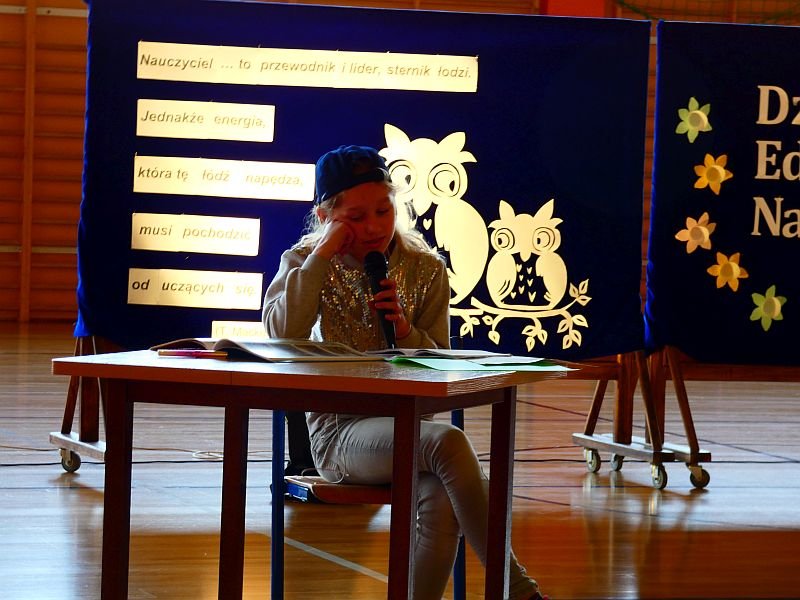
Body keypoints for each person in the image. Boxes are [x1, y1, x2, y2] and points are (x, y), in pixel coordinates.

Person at [262, 144, 549, 600]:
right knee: (449, 443)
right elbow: (281, 333)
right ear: (325, 217)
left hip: (412, 428)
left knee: (440, 499)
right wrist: (322, 254)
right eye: (355, 217)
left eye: (383, 210)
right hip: (340, 436)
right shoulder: (304, 261)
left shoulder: (426, 267)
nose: (374, 227)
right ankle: (517, 589)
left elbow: (442, 368)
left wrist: (405, 331)